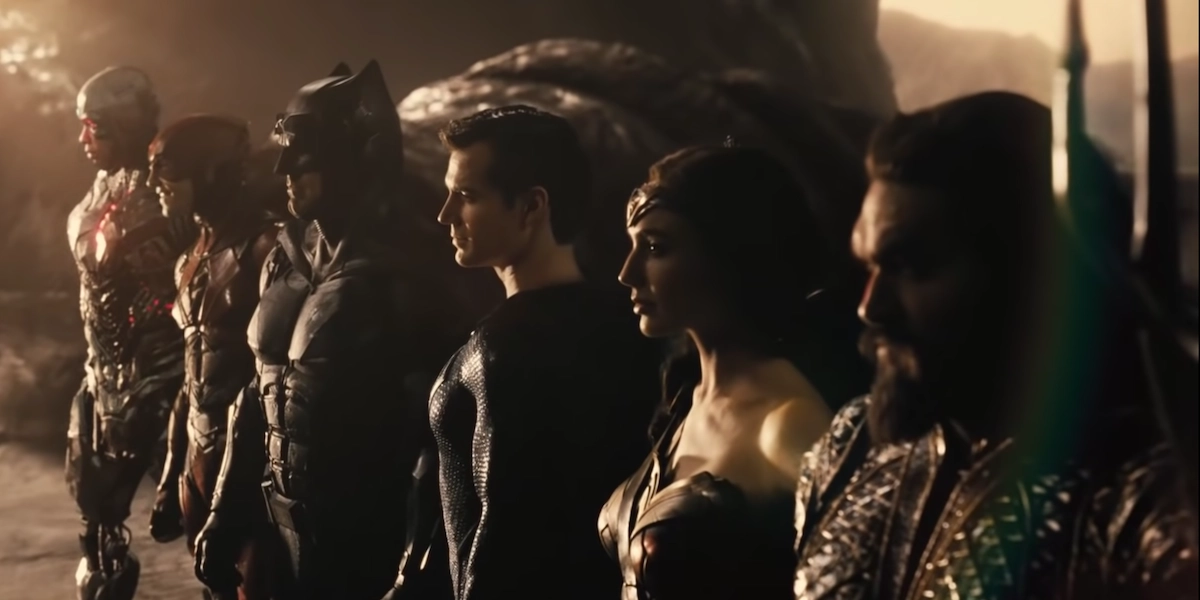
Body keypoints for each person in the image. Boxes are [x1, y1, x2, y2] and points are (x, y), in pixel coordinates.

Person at [793, 91, 1198, 599]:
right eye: (870, 266)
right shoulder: (849, 447)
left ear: (1032, 274)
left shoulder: (1148, 498)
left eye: (910, 266)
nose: (871, 307)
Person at [192, 61, 468, 600]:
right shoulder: (284, 258)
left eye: (306, 156)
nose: (285, 169)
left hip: (363, 546)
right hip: (277, 533)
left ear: (355, 159)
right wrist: (225, 513)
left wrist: (414, 566)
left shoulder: (411, 274)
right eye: (285, 150)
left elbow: (441, 436)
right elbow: (257, 393)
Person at [386, 105, 661, 600]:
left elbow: (503, 537)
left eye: (467, 196)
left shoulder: (502, 351)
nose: (445, 214)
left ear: (532, 207)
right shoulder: (624, 325)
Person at [597, 142, 855, 600]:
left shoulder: (788, 422)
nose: (627, 272)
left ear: (730, 254)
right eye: (633, 245)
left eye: (655, 247)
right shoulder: (688, 401)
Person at [65, 65, 196, 600]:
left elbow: (191, 291)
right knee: (96, 513)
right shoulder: (103, 190)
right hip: (104, 377)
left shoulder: (166, 195)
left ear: (124, 124)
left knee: (205, 514)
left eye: (94, 126)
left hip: (167, 381)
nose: (84, 139)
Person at [144, 114, 285, 599]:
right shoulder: (189, 260)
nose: (154, 182)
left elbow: (272, 384)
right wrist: (170, 478)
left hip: (255, 471)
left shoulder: (269, 248)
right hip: (199, 463)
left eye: (167, 168)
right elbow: (191, 380)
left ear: (210, 171)